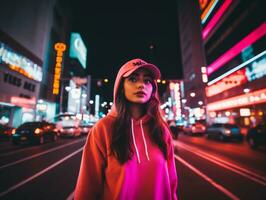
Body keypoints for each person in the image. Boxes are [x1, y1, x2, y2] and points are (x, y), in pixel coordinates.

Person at [74, 58, 178, 200]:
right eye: (133, 79)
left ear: (153, 89)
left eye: (147, 81)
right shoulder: (103, 129)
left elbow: (171, 183)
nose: (141, 85)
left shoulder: (161, 130)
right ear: (121, 87)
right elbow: (87, 187)